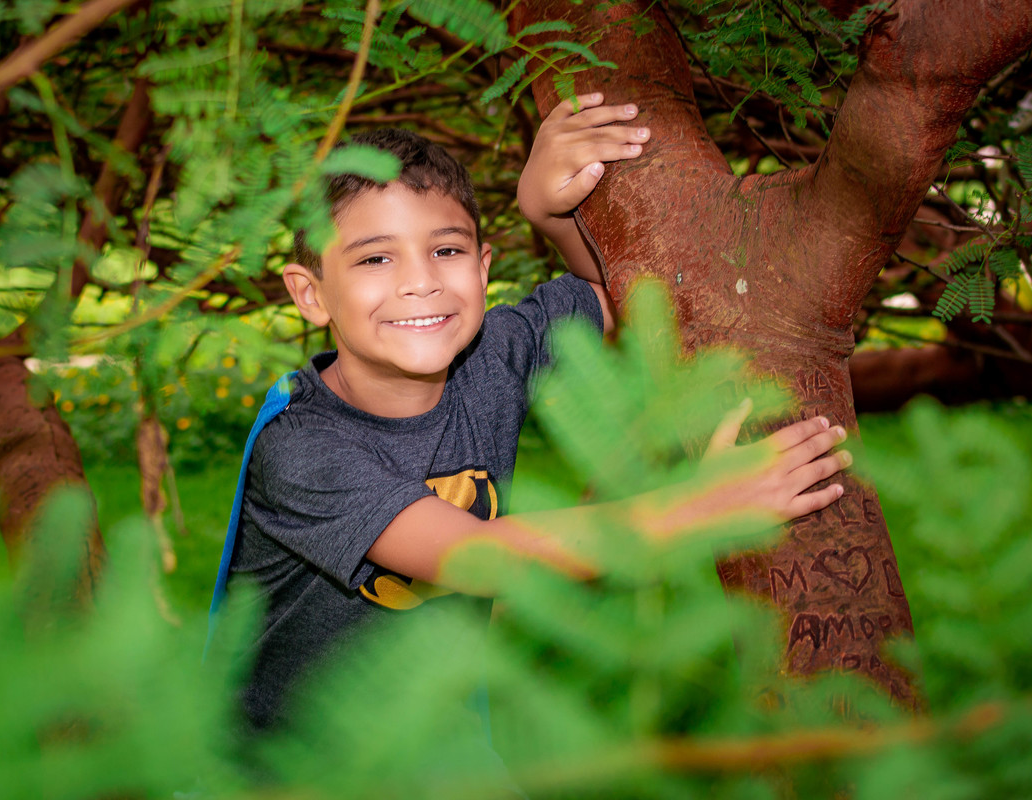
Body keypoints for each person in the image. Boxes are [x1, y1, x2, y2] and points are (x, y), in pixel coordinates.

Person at [221, 93, 852, 732]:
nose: (422, 282)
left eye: (446, 250)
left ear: (482, 264)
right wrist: (703, 504)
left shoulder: (491, 356)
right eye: (375, 258)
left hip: (439, 741)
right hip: (290, 770)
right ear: (310, 292)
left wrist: (546, 214)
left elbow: (624, 298)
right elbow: (481, 556)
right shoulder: (301, 450)